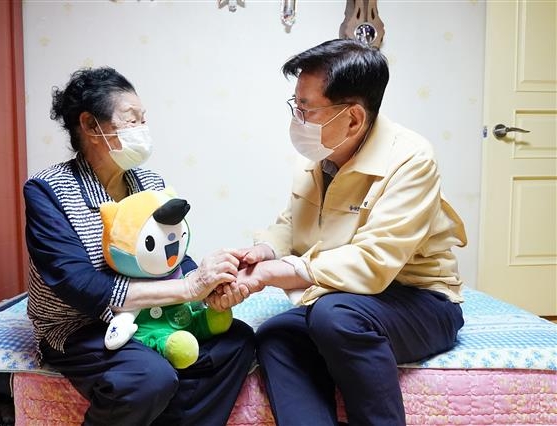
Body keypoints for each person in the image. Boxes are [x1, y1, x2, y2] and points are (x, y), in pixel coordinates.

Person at [207, 39, 467, 425]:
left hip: (419, 300)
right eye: (295, 106)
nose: (297, 119)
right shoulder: (319, 157)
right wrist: (262, 254)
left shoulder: (412, 160)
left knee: (333, 316)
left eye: (306, 109)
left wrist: (273, 274)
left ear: (354, 118)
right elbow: (292, 223)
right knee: (277, 334)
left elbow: (373, 262)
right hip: (345, 297)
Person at [23, 66, 255, 426]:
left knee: (237, 339)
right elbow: (77, 284)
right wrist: (187, 287)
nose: (143, 129)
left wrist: (210, 289)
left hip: (155, 315)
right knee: (148, 377)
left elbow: (174, 257)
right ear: (90, 125)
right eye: (132, 120)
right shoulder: (48, 189)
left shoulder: (149, 182)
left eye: (143, 120)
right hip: (82, 324)